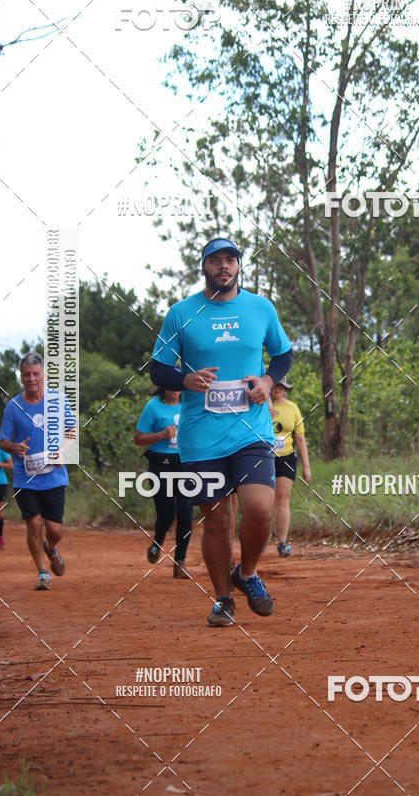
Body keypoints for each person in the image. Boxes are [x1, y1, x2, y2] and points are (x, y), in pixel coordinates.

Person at [150, 236, 293, 627]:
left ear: (238, 266)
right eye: (215, 260)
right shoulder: (181, 313)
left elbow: (283, 354)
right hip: (201, 436)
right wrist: (185, 379)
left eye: (230, 259)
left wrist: (267, 380)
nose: (224, 266)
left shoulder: (260, 308)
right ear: (204, 267)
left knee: (260, 509)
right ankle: (223, 599)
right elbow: (158, 368)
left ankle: (246, 573)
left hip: (251, 430)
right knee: (217, 520)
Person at [0, 352, 75, 590]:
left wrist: (62, 451)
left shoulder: (58, 400)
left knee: (54, 530)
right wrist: (14, 447)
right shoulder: (13, 407)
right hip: (25, 479)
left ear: (43, 375)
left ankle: (50, 547)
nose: (31, 378)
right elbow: (2, 441)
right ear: (21, 377)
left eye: (35, 374)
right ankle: (42, 573)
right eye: (26, 375)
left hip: (54, 477)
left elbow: (72, 430)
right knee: (33, 524)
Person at [133, 387, 194, 578]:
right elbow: (138, 438)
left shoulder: (190, 403)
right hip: (160, 463)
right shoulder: (153, 407)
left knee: (186, 512)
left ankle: (180, 562)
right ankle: (157, 542)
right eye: (170, 386)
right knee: (166, 515)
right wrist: (161, 435)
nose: (174, 390)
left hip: (184, 462)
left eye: (177, 386)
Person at [270, 378, 311, 556]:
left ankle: (282, 542)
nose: (277, 389)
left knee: (283, 499)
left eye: (281, 386)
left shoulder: (292, 408)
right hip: (263, 457)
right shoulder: (261, 406)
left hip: (286, 457)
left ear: (285, 389)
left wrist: (306, 467)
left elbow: (300, 439)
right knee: (264, 502)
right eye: (274, 386)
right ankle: (259, 540)